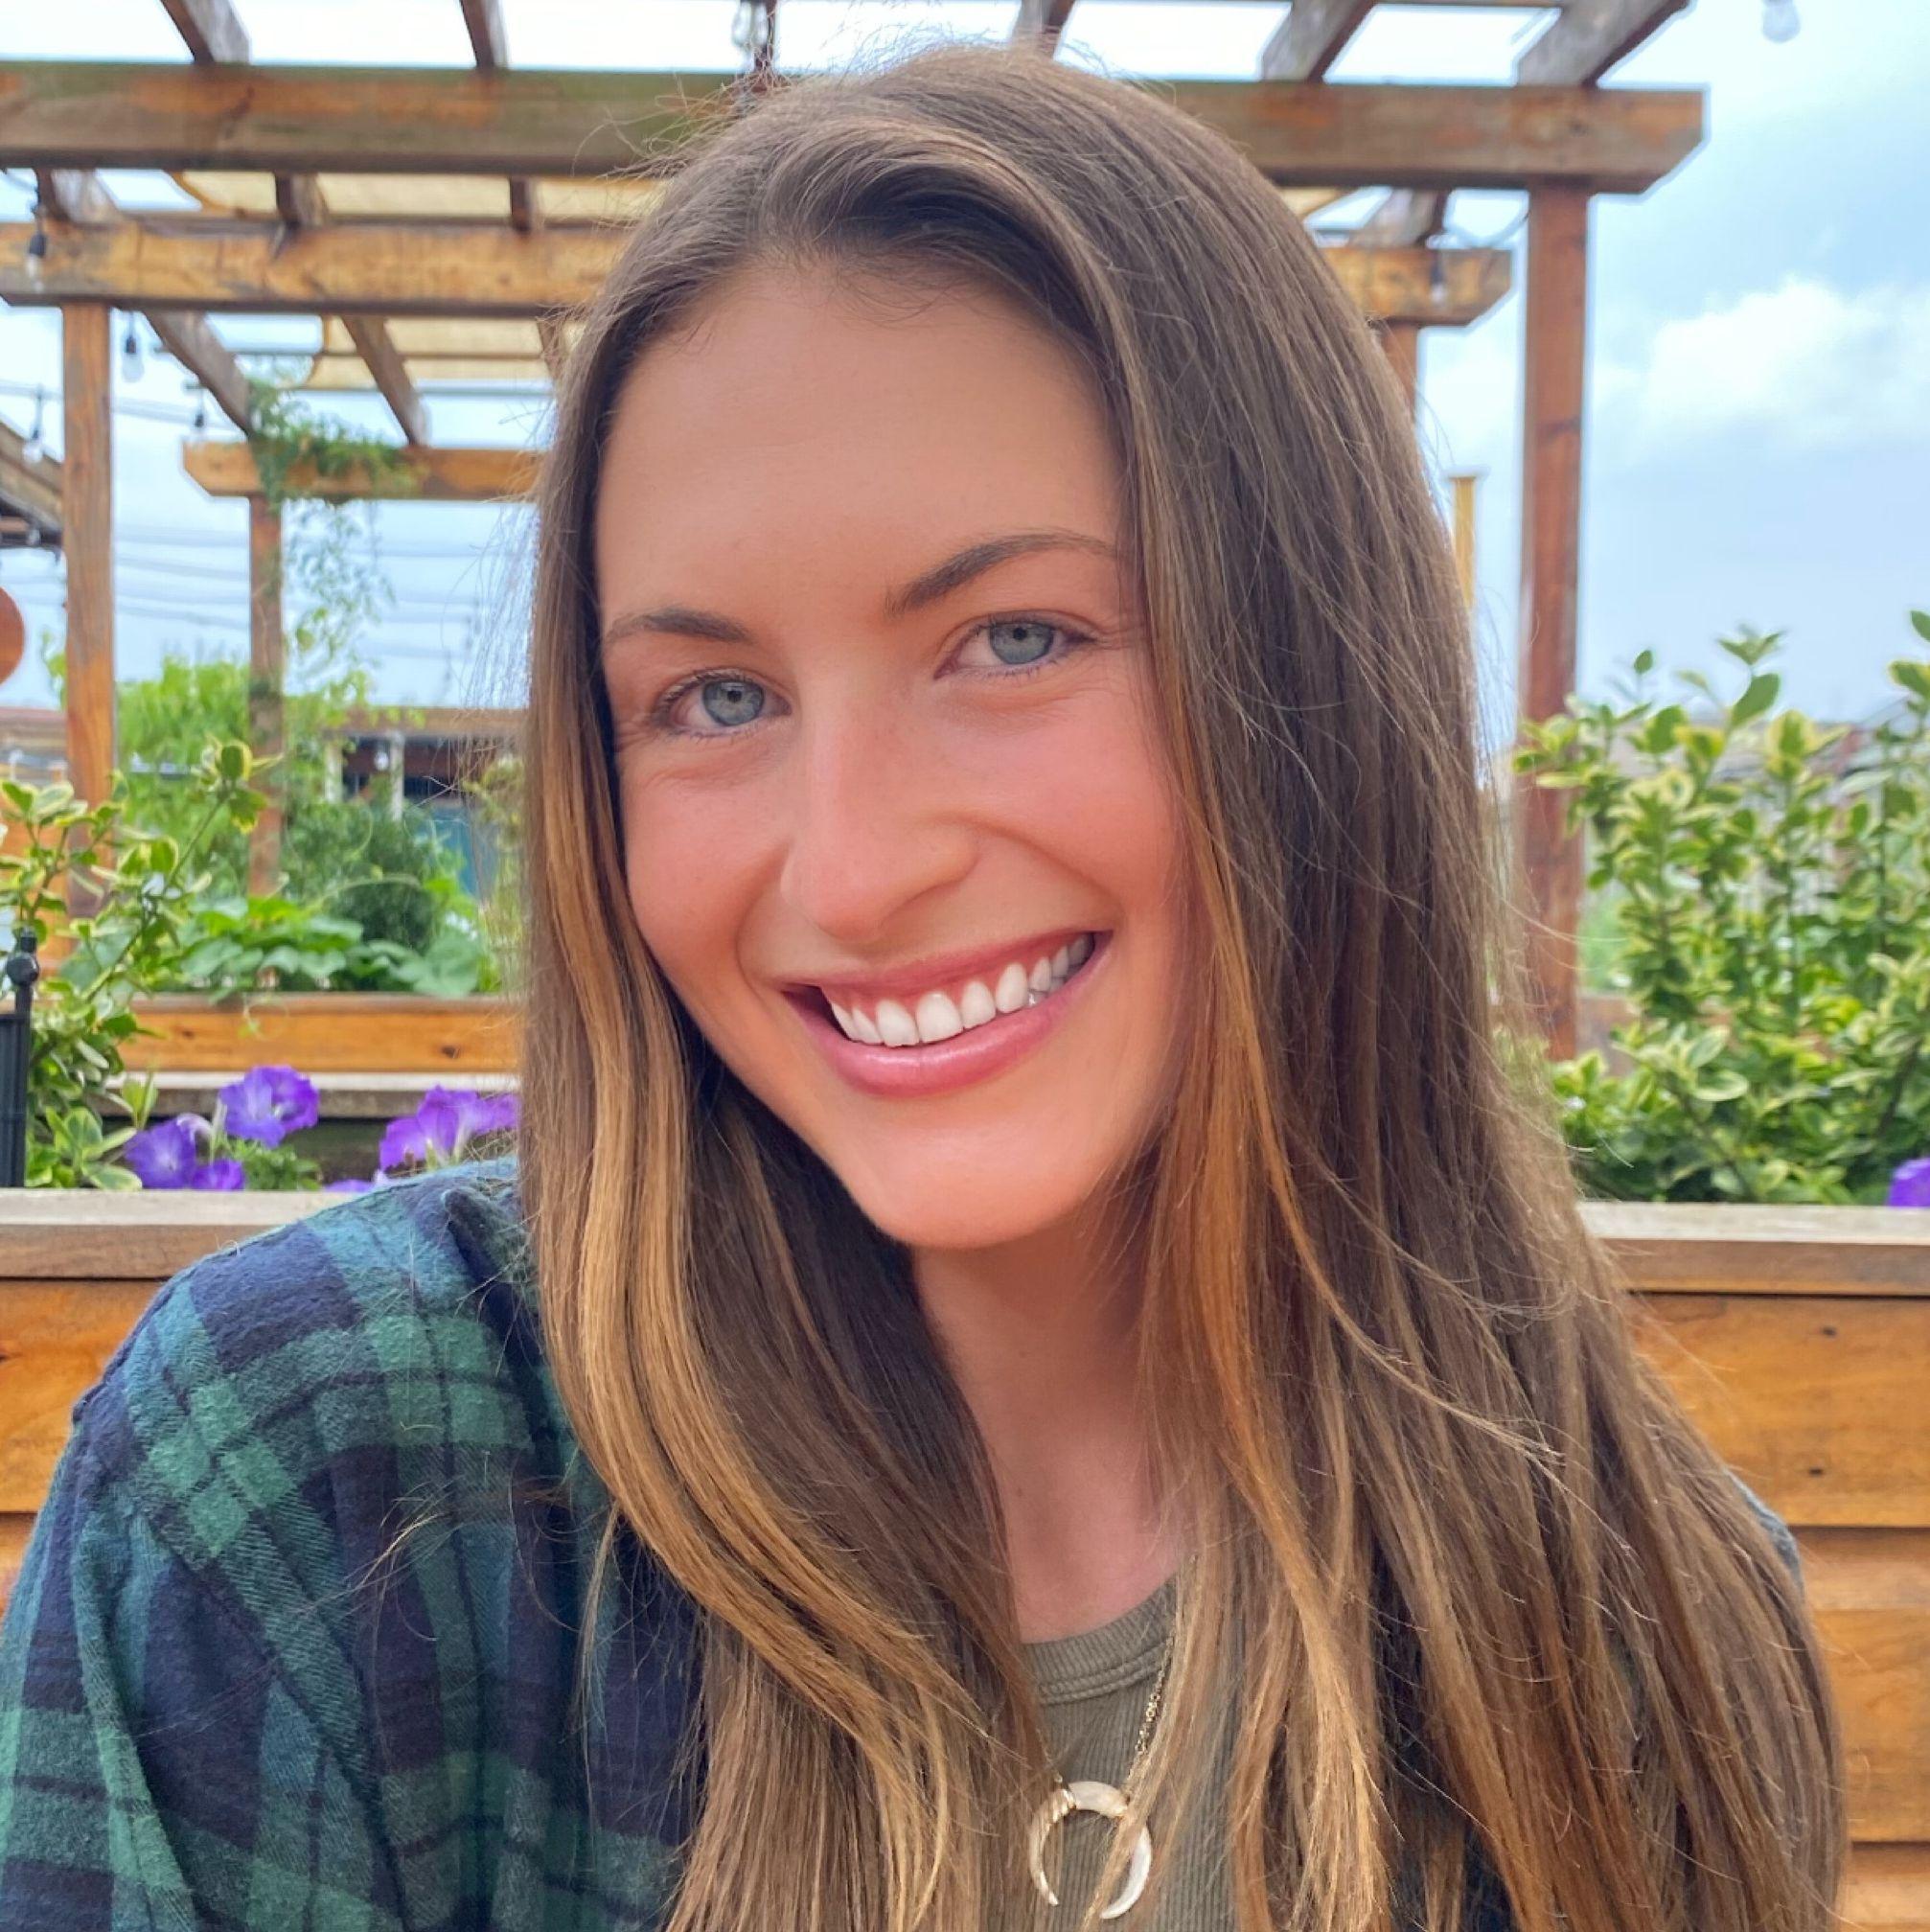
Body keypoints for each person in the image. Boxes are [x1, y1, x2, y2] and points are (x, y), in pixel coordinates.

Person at [0, 38, 1843, 1932]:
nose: (854, 871)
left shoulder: (1652, 1624)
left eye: (1014, 639)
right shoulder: (306, 1492)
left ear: (1317, 676)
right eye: (715, 697)